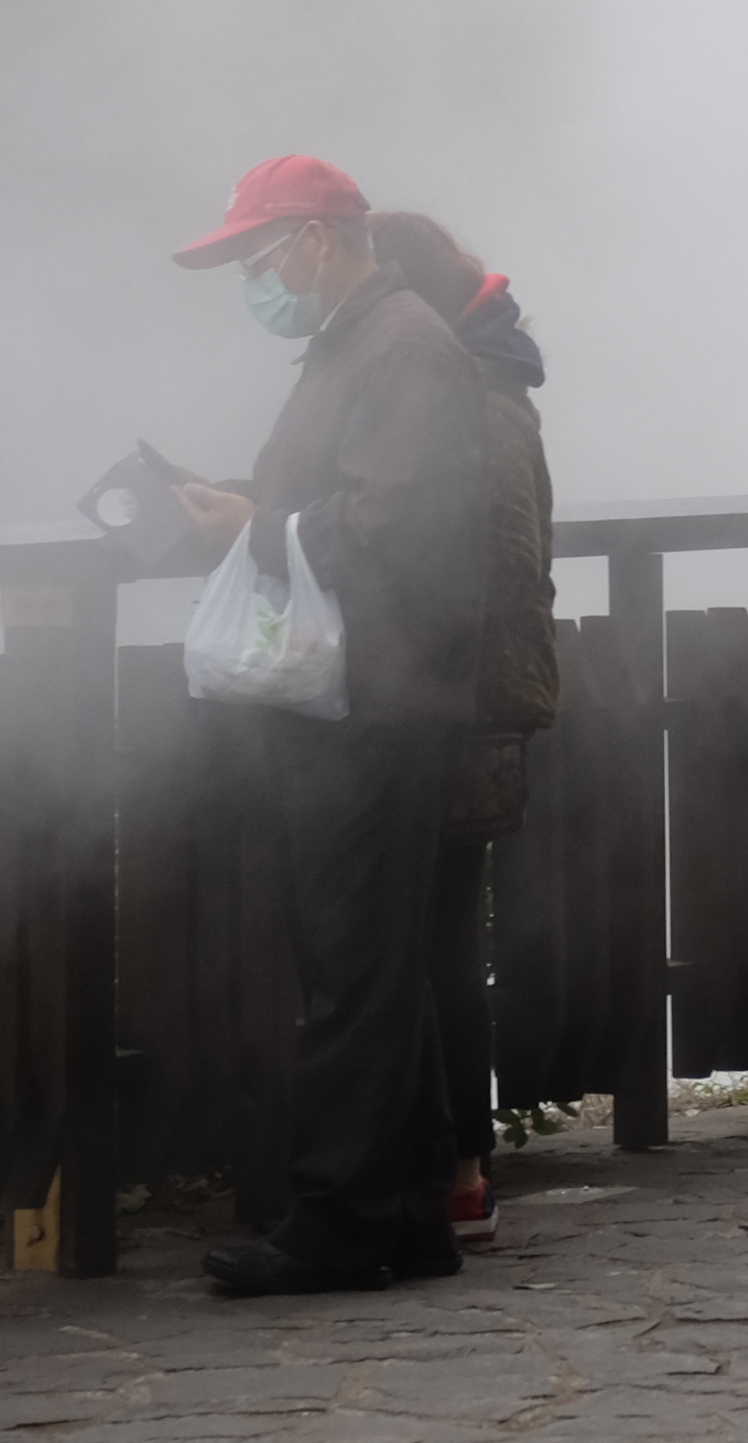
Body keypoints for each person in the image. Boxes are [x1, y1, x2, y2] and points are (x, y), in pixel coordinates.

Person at [165, 154, 491, 1296]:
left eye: (257, 259)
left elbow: (394, 529)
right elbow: (340, 504)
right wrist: (254, 514)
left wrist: (251, 532)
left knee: (354, 970)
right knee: (372, 964)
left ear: (312, 240)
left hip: (381, 700)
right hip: (370, 693)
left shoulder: (399, 347)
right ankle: (406, 1215)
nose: (253, 282)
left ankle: (340, 1224)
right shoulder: (362, 339)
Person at [367, 208, 556, 1252]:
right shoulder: (491, 377)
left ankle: (447, 1171)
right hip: (472, 695)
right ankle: (455, 1173)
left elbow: (482, 556)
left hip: (447, 699)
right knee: (440, 936)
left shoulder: (462, 391)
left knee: (428, 941)